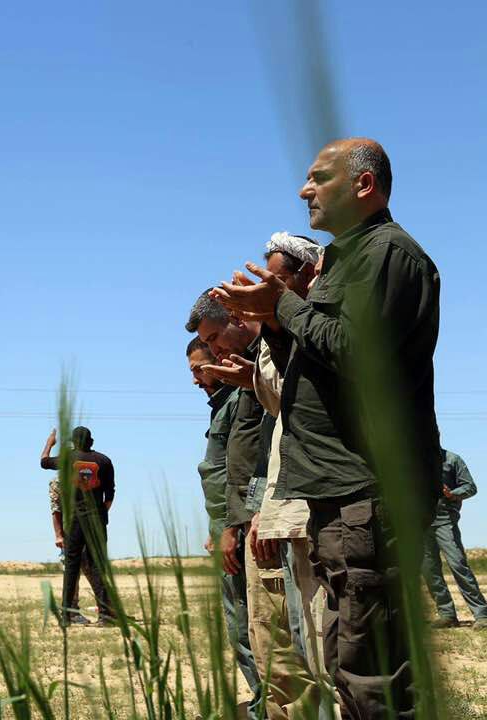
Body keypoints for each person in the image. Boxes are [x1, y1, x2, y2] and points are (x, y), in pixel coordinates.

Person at [214, 138, 441, 718]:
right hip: (337, 492)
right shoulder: (348, 258)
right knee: (348, 664)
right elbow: (319, 363)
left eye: (318, 178)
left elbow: (358, 353)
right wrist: (273, 319)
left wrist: (282, 308)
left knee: (373, 676)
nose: (303, 189)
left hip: (366, 491)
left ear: (363, 186)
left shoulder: (389, 255)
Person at [209, 233, 335, 720]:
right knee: (295, 638)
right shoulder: (279, 339)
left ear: (308, 278)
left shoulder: (318, 328)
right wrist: (254, 377)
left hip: (309, 506)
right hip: (283, 508)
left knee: (323, 644)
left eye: (276, 281)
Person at [186, 337, 263, 708]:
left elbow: (245, 470)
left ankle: (268, 706)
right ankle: (265, 701)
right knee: (240, 623)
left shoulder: (240, 401)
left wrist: (233, 527)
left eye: (199, 368)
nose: (197, 379)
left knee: (248, 623)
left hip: (239, 527)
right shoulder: (222, 406)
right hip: (226, 526)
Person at [40, 426, 115, 625]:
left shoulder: (68, 459)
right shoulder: (104, 460)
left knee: (71, 566)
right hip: (97, 520)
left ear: (73, 442)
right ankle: (105, 616)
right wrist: (101, 513)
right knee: (99, 565)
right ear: (91, 441)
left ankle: (66, 615)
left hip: (75, 520)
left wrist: (50, 443)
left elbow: (44, 462)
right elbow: (110, 494)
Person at [423, 449, 487, 630]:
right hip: (420, 521)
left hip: (445, 520)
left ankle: (482, 614)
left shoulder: (452, 459)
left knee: (458, 564)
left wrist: (452, 494)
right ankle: (447, 615)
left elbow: (470, 487)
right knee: (429, 570)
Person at [47, 475, 104, 623]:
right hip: (71, 532)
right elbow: (56, 509)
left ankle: (106, 609)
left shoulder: (88, 476)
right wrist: (59, 535)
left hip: (89, 530)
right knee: (73, 571)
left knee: (94, 569)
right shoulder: (59, 481)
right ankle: (72, 612)